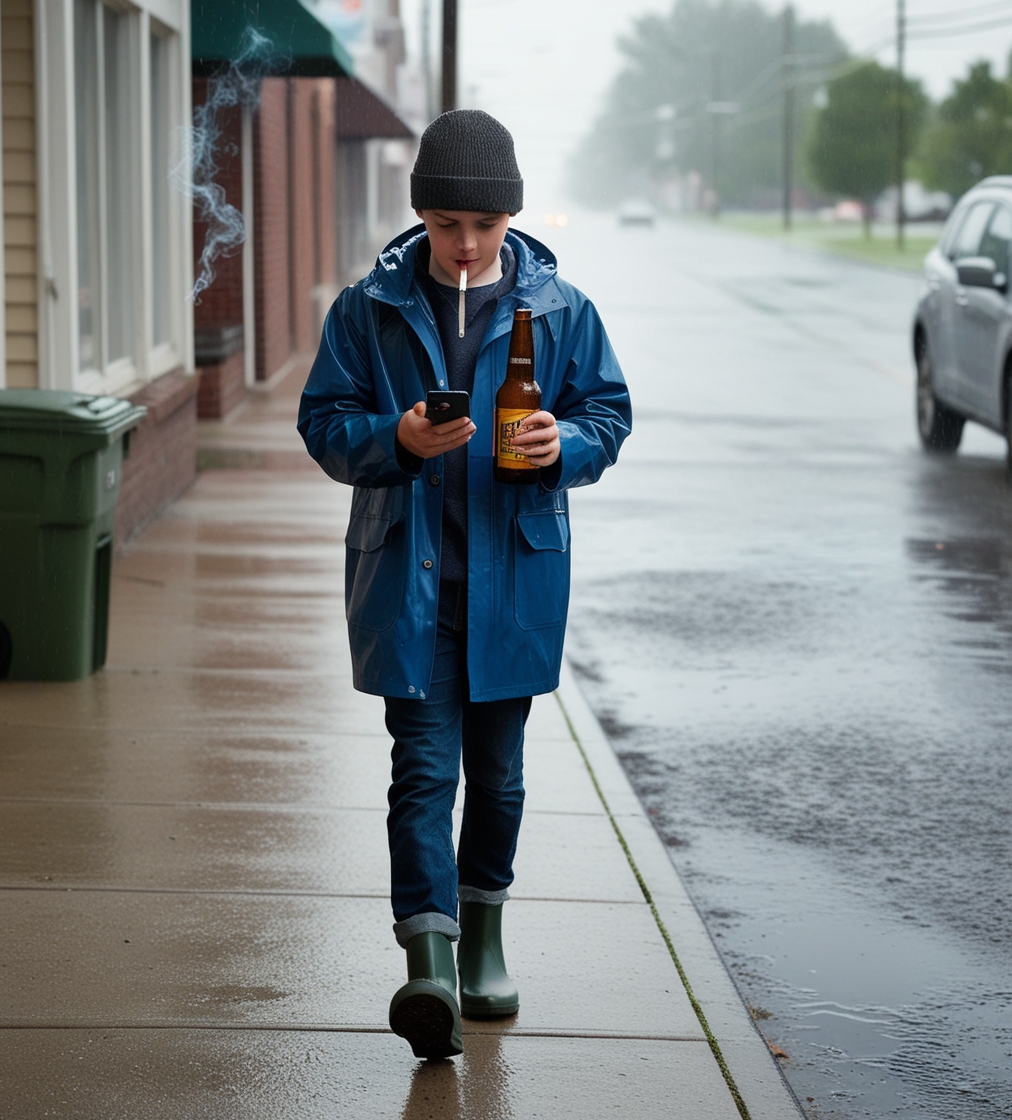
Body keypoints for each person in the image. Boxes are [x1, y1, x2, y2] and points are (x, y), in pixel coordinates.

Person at [297, 109, 631, 1060]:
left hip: (512, 587)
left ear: (511, 219)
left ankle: (484, 938)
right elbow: (324, 423)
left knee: (500, 778)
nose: (467, 245)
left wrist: (562, 443)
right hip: (409, 582)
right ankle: (429, 963)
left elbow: (607, 413)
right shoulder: (369, 309)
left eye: (482, 227)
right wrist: (393, 441)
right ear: (423, 219)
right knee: (422, 772)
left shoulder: (562, 311)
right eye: (447, 225)